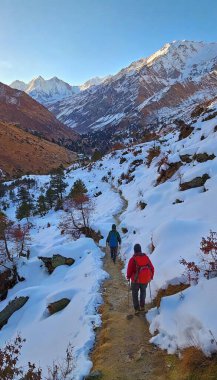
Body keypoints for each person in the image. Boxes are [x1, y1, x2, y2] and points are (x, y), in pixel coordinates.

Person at [127, 243, 154, 315]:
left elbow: (129, 269)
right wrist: (151, 276)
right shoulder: (146, 258)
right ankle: (142, 307)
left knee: (134, 294)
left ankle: (136, 309)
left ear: (134, 251)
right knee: (143, 292)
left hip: (135, 280)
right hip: (145, 279)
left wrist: (128, 277)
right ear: (140, 250)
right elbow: (152, 268)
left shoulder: (133, 259)